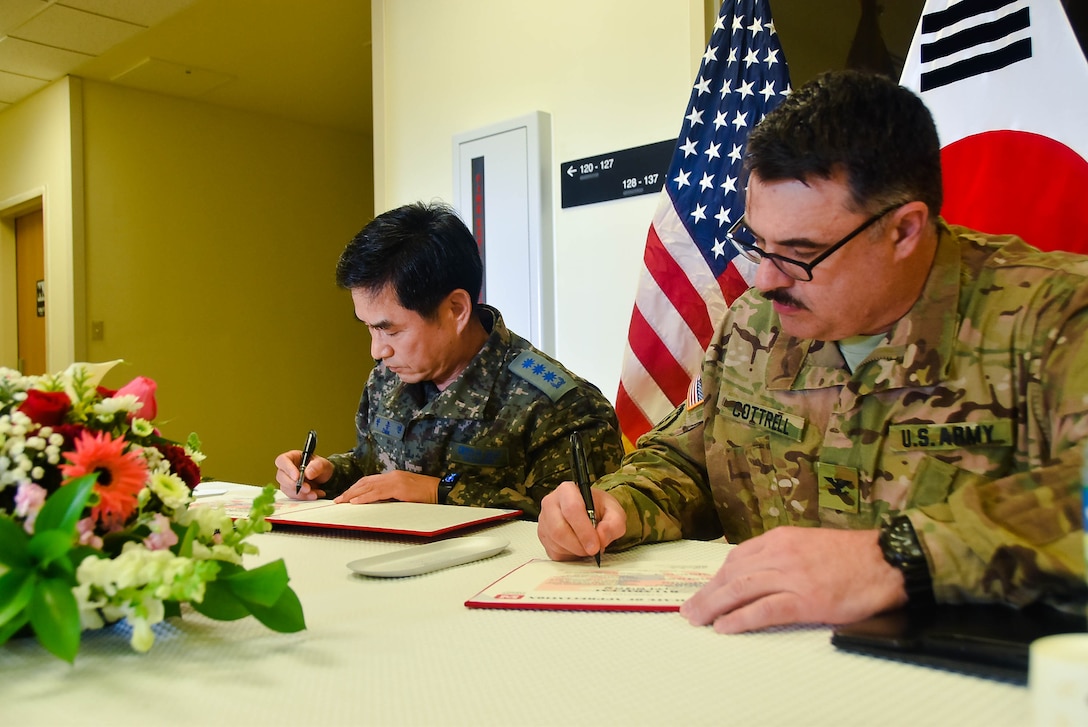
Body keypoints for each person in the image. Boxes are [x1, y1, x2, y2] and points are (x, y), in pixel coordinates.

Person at [537, 70, 1088, 632]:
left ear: (904, 230)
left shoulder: (1056, 318)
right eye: (758, 243)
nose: (768, 278)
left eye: (801, 252)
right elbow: (691, 461)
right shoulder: (754, 324)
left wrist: (899, 558)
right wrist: (618, 506)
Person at [274, 201, 624, 519]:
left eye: (390, 331)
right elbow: (374, 468)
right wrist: (327, 475)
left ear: (456, 310)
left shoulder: (561, 407)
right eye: (368, 328)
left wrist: (438, 491)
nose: (377, 350)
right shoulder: (386, 379)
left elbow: (582, 523)